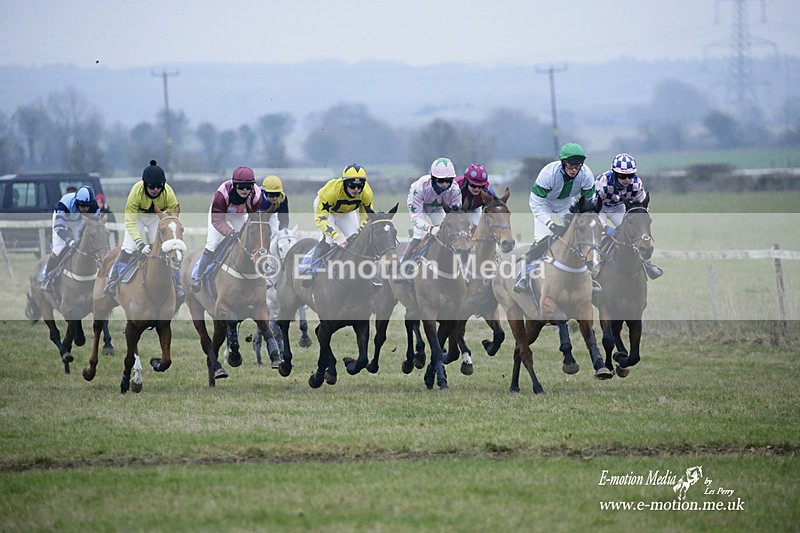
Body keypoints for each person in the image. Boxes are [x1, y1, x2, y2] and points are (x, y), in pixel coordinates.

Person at [514, 143, 596, 293]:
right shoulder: (549, 174)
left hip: (567, 204)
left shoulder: (586, 174)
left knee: (578, 238)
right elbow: (535, 203)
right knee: (542, 239)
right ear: (563, 163)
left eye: (577, 166)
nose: (574, 170)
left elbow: (589, 202)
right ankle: (524, 274)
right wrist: (551, 224)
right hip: (543, 204)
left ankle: (589, 276)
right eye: (570, 165)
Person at [104, 160, 184, 306]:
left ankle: (177, 285)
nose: (155, 189)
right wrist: (140, 244)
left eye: (159, 186)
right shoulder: (136, 192)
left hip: (156, 218)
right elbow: (129, 223)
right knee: (129, 248)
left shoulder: (168, 193)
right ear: (145, 184)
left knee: (167, 248)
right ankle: (112, 281)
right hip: (137, 218)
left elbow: (174, 217)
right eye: (151, 186)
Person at [191, 166, 264, 292]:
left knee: (250, 241)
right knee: (213, 243)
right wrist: (230, 232)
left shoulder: (257, 195)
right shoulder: (222, 194)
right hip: (220, 214)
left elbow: (255, 219)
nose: (245, 190)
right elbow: (217, 220)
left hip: (239, 215)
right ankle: (198, 275)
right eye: (241, 186)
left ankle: (257, 274)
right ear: (234, 185)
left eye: (248, 186)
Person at [304, 164, 375, 287]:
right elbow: (320, 219)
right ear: (344, 183)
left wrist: (361, 231)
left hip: (346, 212)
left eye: (360, 186)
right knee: (328, 240)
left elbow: (366, 217)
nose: (356, 189)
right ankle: (311, 271)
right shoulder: (330, 192)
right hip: (327, 212)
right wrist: (336, 236)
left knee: (357, 239)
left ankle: (364, 274)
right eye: (352, 185)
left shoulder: (367, 193)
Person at [594, 153, 663, 279]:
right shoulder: (602, 182)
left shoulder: (636, 184)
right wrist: (605, 228)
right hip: (600, 209)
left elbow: (642, 208)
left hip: (618, 208)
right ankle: (593, 269)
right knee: (597, 234)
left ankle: (647, 264)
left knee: (635, 232)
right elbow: (593, 210)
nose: (627, 180)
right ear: (615, 173)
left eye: (630, 176)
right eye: (622, 176)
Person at [394, 157, 463, 281]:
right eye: (441, 181)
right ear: (433, 178)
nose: (445, 184)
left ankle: (455, 266)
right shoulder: (420, 187)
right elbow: (416, 217)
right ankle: (403, 267)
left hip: (437, 207)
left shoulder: (455, 190)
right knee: (420, 234)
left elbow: (455, 216)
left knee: (447, 233)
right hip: (419, 206)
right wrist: (430, 229)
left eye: (448, 181)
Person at [39, 185, 100, 291]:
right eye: (82, 205)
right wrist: (69, 241)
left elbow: (96, 223)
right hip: (62, 220)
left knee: (81, 245)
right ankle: (46, 278)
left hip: (77, 221)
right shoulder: (64, 204)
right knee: (58, 249)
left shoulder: (94, 206)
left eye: (88, 206)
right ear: (77, 202)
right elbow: (59, 227)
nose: (85, 209)